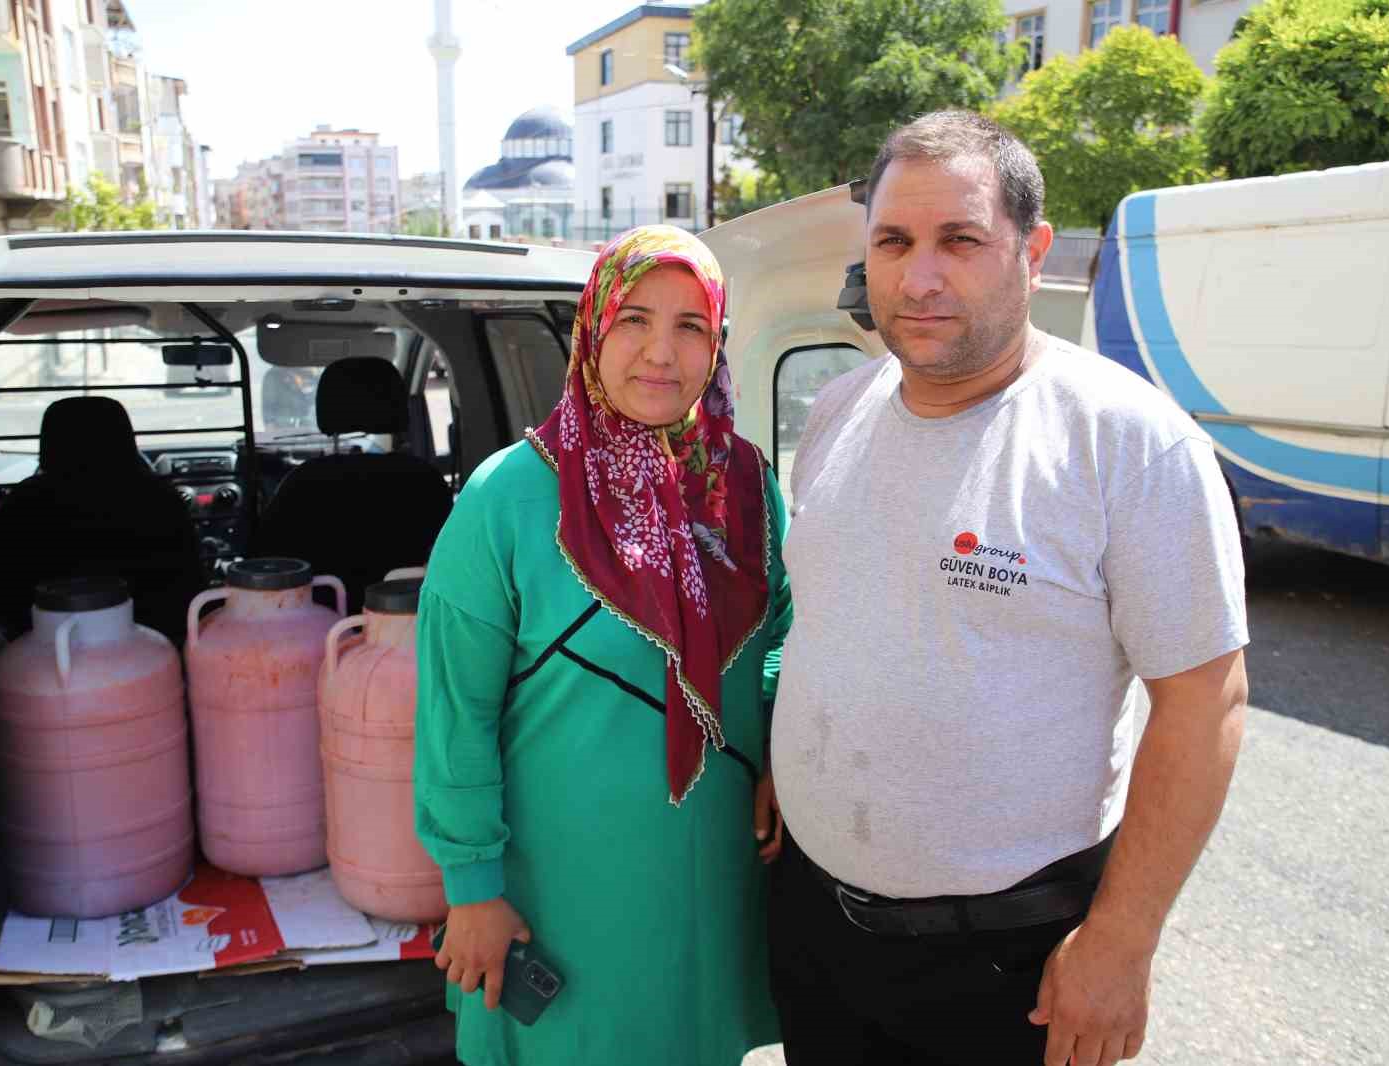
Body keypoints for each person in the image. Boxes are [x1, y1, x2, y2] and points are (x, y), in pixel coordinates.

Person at [767, 110, 1250, 1066]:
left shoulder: (1128, 443)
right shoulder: (835, 411)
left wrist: (1121, 941)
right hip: (816, 927)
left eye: (961, 240)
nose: (920, 276)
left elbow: (1206, 702)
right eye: (894, 242)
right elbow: (829, 622)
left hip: (1004, 963)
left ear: (1030, 251)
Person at [414, 225, 790, 1066]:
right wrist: (472, 890)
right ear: (593, 328)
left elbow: (783, 634)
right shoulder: (508, 496)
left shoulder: (747, 486)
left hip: (710, 870)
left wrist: (772, 756)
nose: (662, 352)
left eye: (692, 325)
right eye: (635, 319)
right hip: (560, 885)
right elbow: (455, 711)